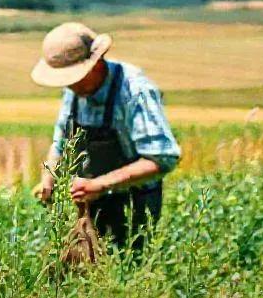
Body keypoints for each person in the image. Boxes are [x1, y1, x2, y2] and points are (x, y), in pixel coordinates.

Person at [30, 22, 181, 252]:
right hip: (88, 205)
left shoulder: (135, 91)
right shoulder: (75, 90)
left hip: (133, 207)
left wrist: (100, 184)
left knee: (127, 272)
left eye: (74, 78)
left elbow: (162, 159)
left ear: (96, 64)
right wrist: (48, 178)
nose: (70, 86)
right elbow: (60, 142)